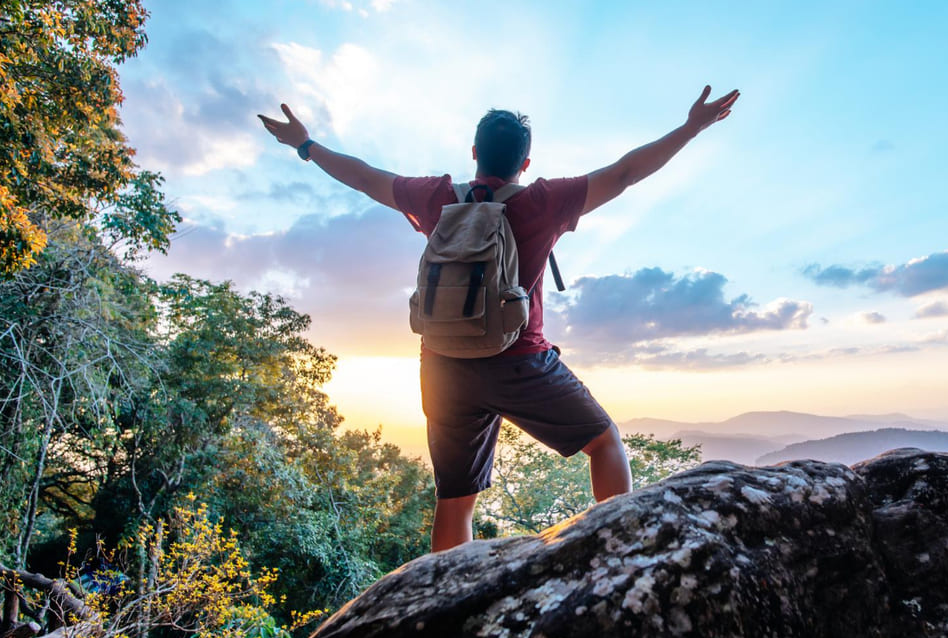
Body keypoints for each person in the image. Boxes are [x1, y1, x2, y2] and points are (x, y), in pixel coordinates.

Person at [258, 85, 739, 552]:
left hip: (443, 366)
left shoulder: (438, 196)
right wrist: (691, 128)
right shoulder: (542, 201)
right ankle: (622, 556)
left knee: (454, 503)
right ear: (525, 163)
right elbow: (626, 172)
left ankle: (444, 601)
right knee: (606, 443)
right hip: (521, 362)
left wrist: (305, 144)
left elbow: (365, 177)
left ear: (474, 152)